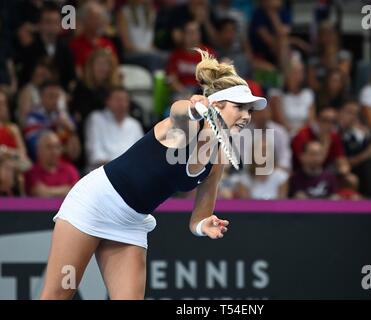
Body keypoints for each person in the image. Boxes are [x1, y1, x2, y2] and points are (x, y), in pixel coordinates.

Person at [40, 49, 267, 299]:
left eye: (250, 111)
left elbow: (198, 218)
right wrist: (193, 107)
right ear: (217, 104)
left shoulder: (218, 159)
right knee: (58, 294)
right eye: (240, 108)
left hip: (131, 223)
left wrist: (205, 225)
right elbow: (178, 111)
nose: (247, 116)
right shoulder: (186, 127)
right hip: (94, 204)